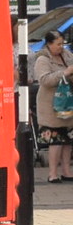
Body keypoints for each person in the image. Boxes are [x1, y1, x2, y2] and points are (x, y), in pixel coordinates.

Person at [33, 30, 73, 183]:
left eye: (62, 43)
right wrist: (65, 73)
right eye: (58, 44)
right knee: (55, 141)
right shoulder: (42, 59)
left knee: (68, 140)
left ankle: (66, 171)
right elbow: (44, 80)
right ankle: (52, 173)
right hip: (51, 106)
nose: (61, 47)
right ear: (49, 44)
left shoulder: (67, 55)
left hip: (68, 103)